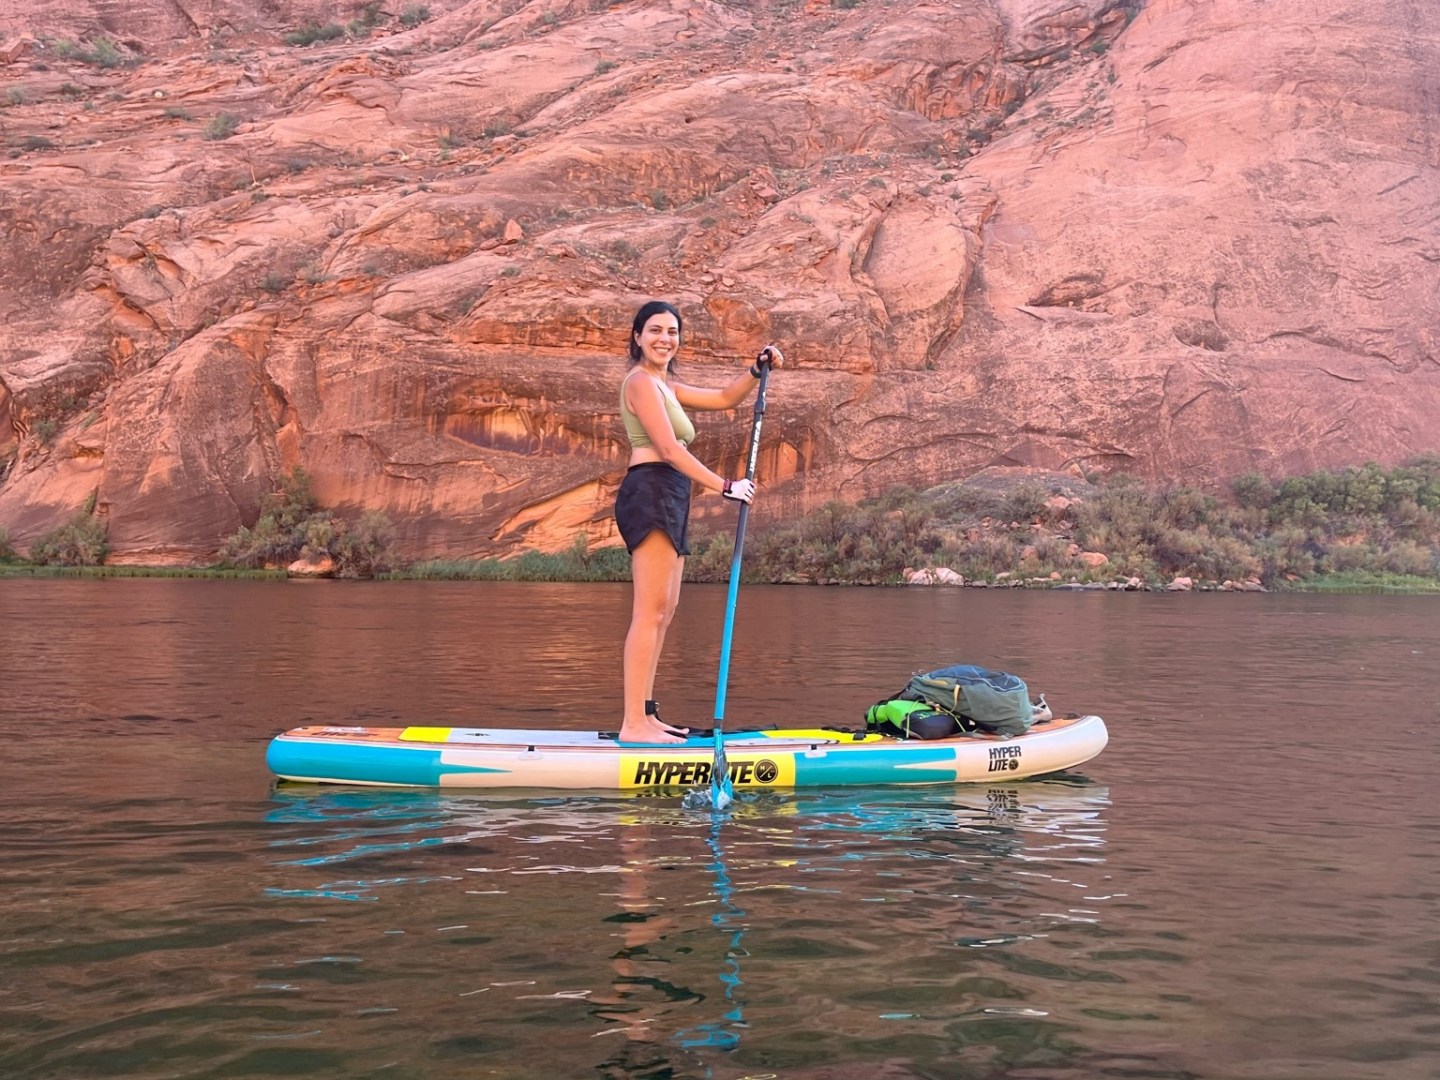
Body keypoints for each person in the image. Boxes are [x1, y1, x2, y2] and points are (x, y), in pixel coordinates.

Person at [614, 300, 783, 743]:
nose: (664, 339)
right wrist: (726, 485)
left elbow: (726, 399)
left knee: (665, 612)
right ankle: (632, 724)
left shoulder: (665, 385)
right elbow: (669, 450)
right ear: (637, 337)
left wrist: (755, 369)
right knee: (648, 613)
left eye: (672, 331)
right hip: (649, 489)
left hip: (670, 493)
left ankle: (647, 716)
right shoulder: (640, 384)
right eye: (654, 330)